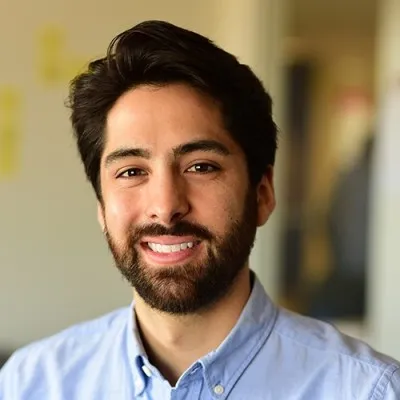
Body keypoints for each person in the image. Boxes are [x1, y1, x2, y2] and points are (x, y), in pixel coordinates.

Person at [0, 20, 399, 400]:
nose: (166, 206)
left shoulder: (368, 390)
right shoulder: (31, 383)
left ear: (262, 194)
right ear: (102, 207)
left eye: (201, 167)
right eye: (132, 171)